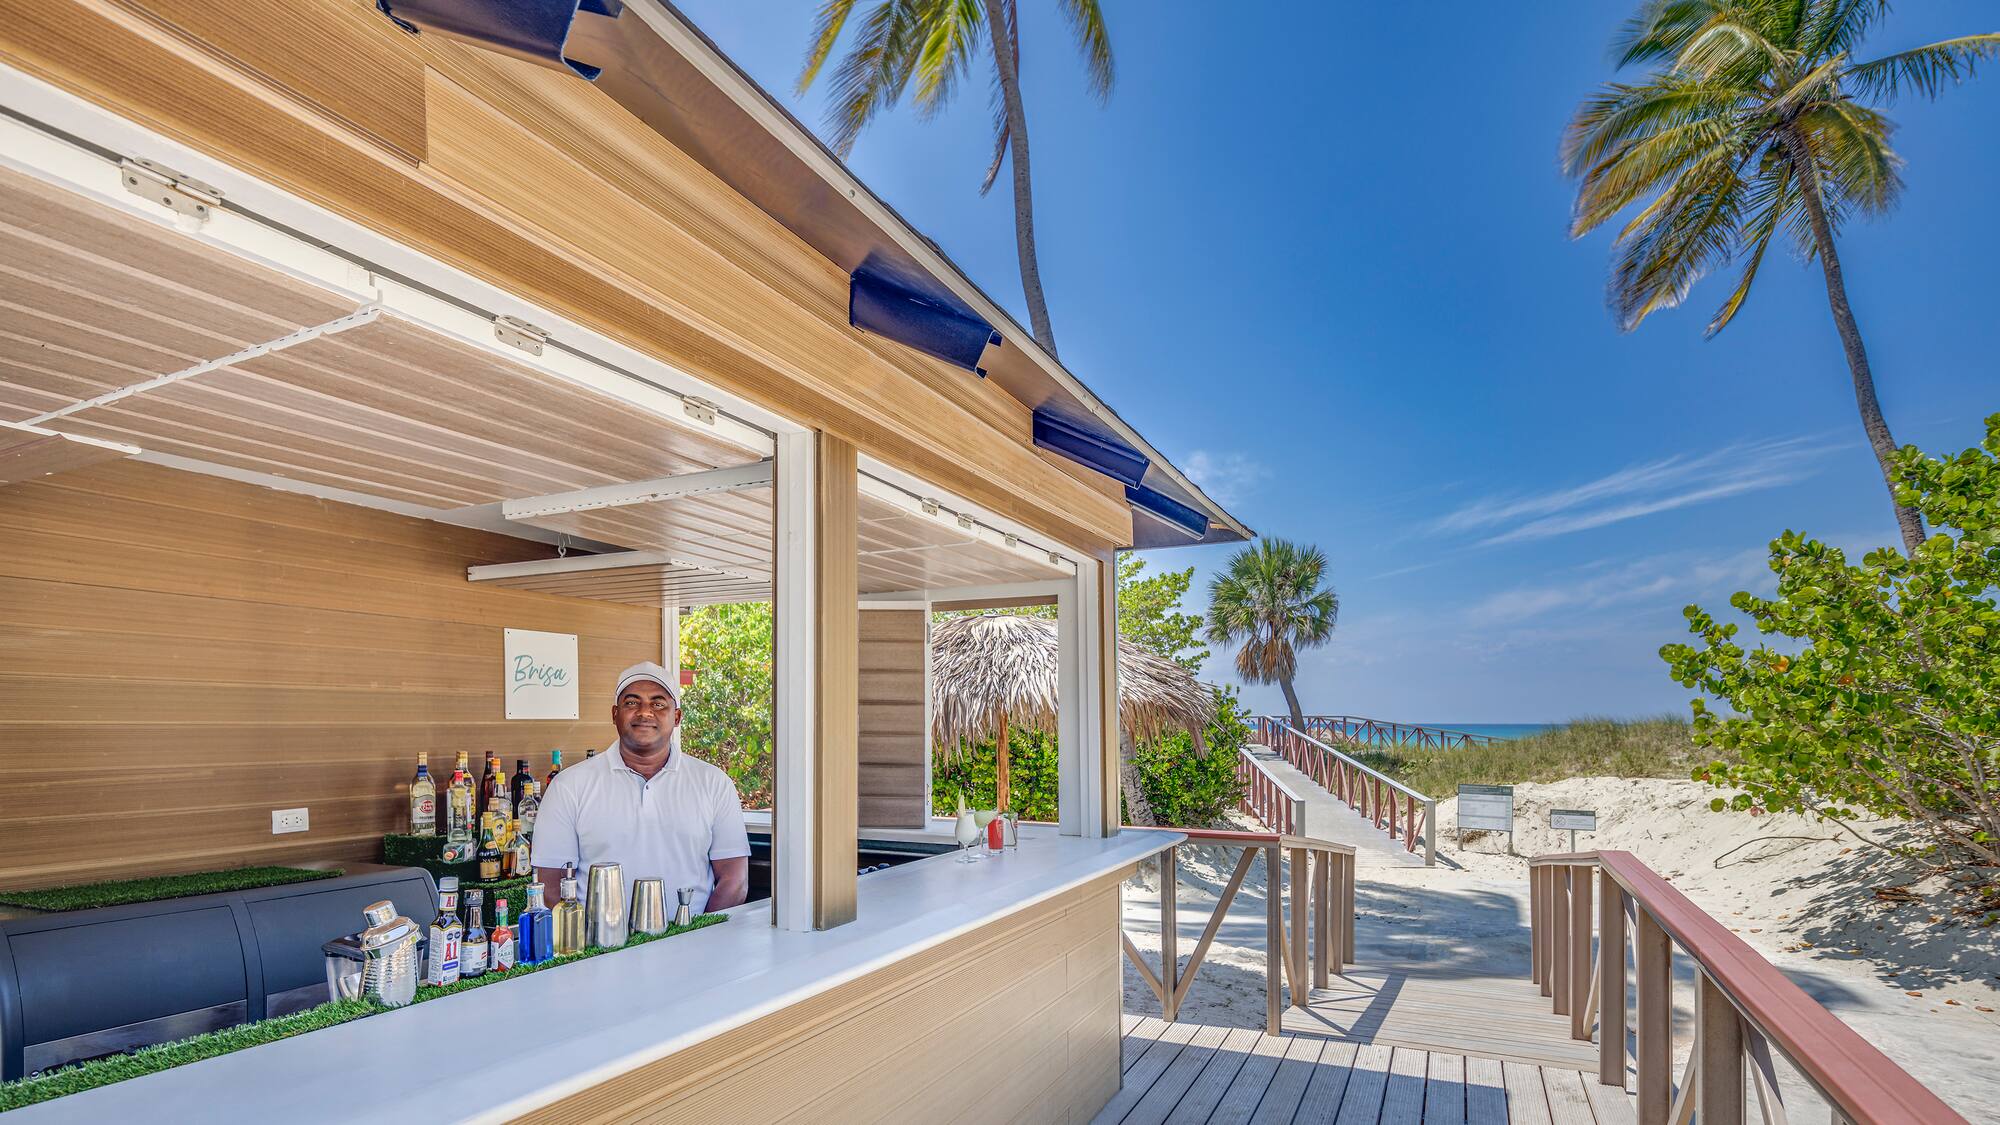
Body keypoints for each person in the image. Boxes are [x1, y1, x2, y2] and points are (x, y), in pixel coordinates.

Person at [531, 662, 750, 913]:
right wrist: (586, 947)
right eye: (632, 703)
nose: (645, 712)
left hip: (692, 943)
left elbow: (735, 881)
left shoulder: (714, 783)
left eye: (658, 704)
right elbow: (548, 887)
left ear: (676, 717)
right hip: (601, 950)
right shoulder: (569, 786)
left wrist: (701, 937)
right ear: (615, 714)